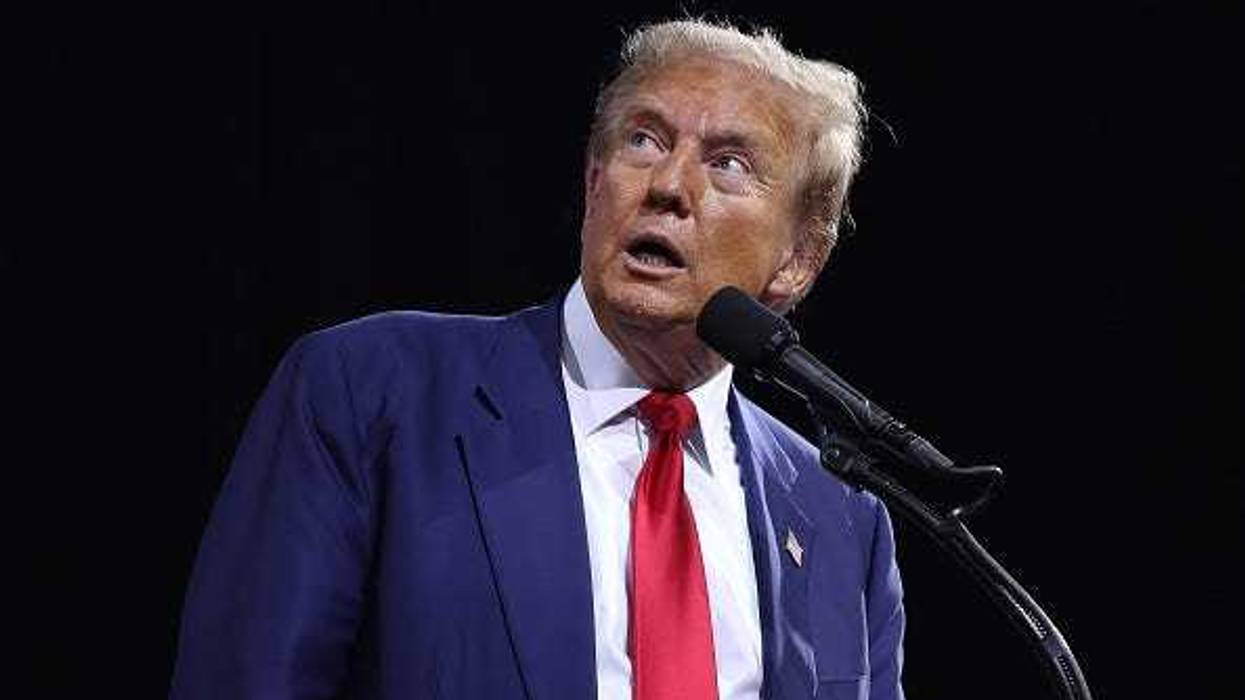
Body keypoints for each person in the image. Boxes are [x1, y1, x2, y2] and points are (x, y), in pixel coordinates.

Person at [170, 19, 904, 700]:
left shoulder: (842, 518)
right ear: (592, 183)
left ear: (798, 262)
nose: (668, 187)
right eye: (642, 141)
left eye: (728, 164)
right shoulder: (374, 391)